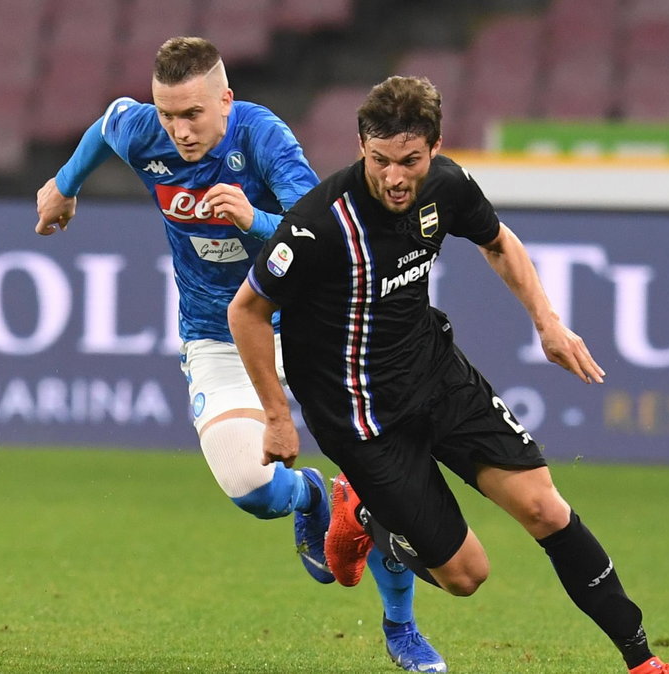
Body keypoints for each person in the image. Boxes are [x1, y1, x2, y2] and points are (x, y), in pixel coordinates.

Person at [228, 74, 669, 674]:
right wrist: (277, 417)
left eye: (410, 160)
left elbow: (498, 242)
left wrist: (547, 323)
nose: (394, 176)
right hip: (361, 416)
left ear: (436, 147)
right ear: (362, 146)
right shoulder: (321, 222)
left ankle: (642, 660)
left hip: (436, 375)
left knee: (546, 508)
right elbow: (247, 311)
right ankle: (365, 506)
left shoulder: (445, 187)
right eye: (380, 160)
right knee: (468, 576)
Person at [34, 38, 444, 671]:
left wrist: (254, 219)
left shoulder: (262, 139)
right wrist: (63, 187)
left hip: (314, 327)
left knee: (385, 488)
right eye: (168, 115)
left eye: (193, 115)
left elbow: (326, 234)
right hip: (217, 333)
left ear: (226, 99)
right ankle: (313, 497)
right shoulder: (144, 129)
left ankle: (401, 627)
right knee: (249, 486)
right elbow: (107, 124)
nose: (179, 130)